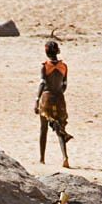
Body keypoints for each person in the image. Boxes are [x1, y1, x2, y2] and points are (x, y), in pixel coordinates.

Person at [35, 40, 72, 168]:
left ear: (46, 51)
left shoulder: (45, 66)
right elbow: (65, 85)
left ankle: (42, 159)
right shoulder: (63, 66)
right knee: (60, 128)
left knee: (43, 128)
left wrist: (36, 99)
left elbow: (42, 83)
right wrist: (59, 94)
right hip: (59, 98)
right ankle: (65, 157)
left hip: (47, 98)